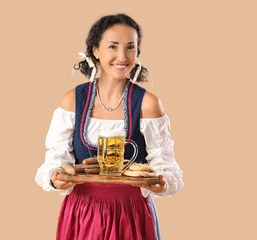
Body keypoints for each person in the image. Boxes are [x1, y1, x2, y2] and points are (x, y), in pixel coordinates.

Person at [35, 13, 184, 240]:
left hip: (131, 213)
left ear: (137, 52)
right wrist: (55, 178)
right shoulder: (72, 100)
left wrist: (160, 183)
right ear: (95, 50)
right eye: (112, 46)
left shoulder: (148, 103)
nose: (122, 56)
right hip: (82, 212)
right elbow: (55, 159)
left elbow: (165, 164)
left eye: (130, 47)